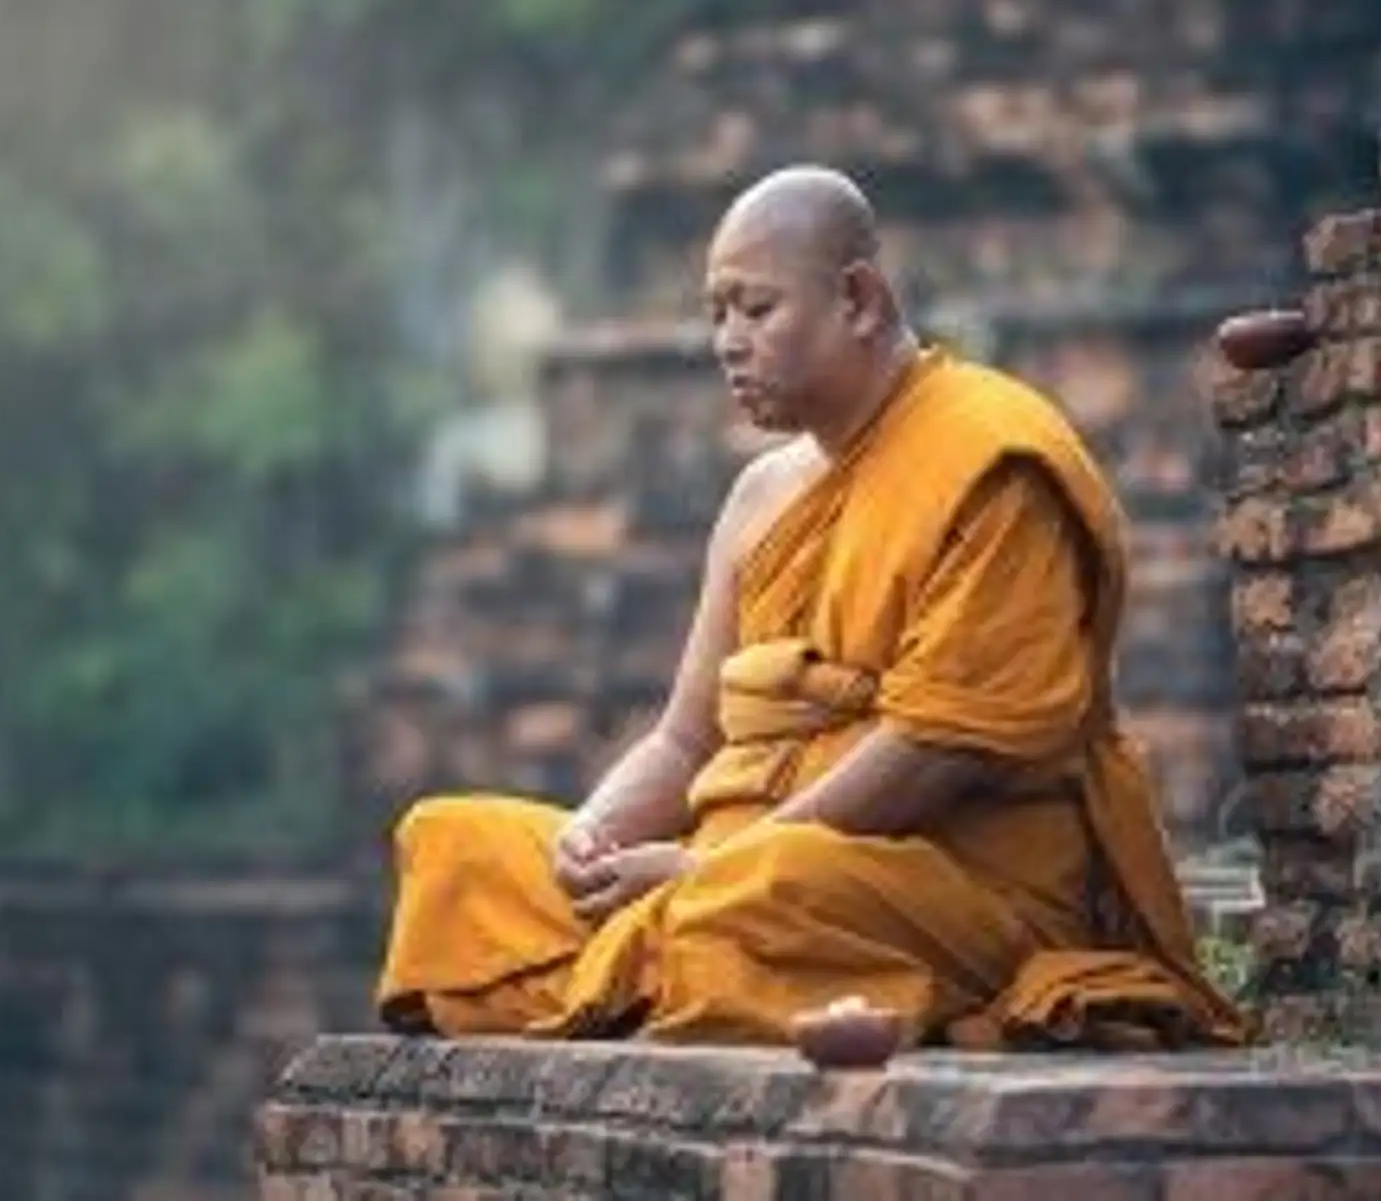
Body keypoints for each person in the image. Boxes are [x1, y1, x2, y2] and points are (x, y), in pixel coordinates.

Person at [374, 165, 1250, 1051]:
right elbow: (685, 740)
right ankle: (647, 962)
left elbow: (937, 750)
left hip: (937, 881)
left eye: (757, 310)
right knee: (454, 847)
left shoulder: (991, 459)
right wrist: (593, 837)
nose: (728, 342)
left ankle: (641, 965)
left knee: (762, 898)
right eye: (717, 314)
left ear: (859, 300)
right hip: (733, 863)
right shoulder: (761, 495)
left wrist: (706, 868)